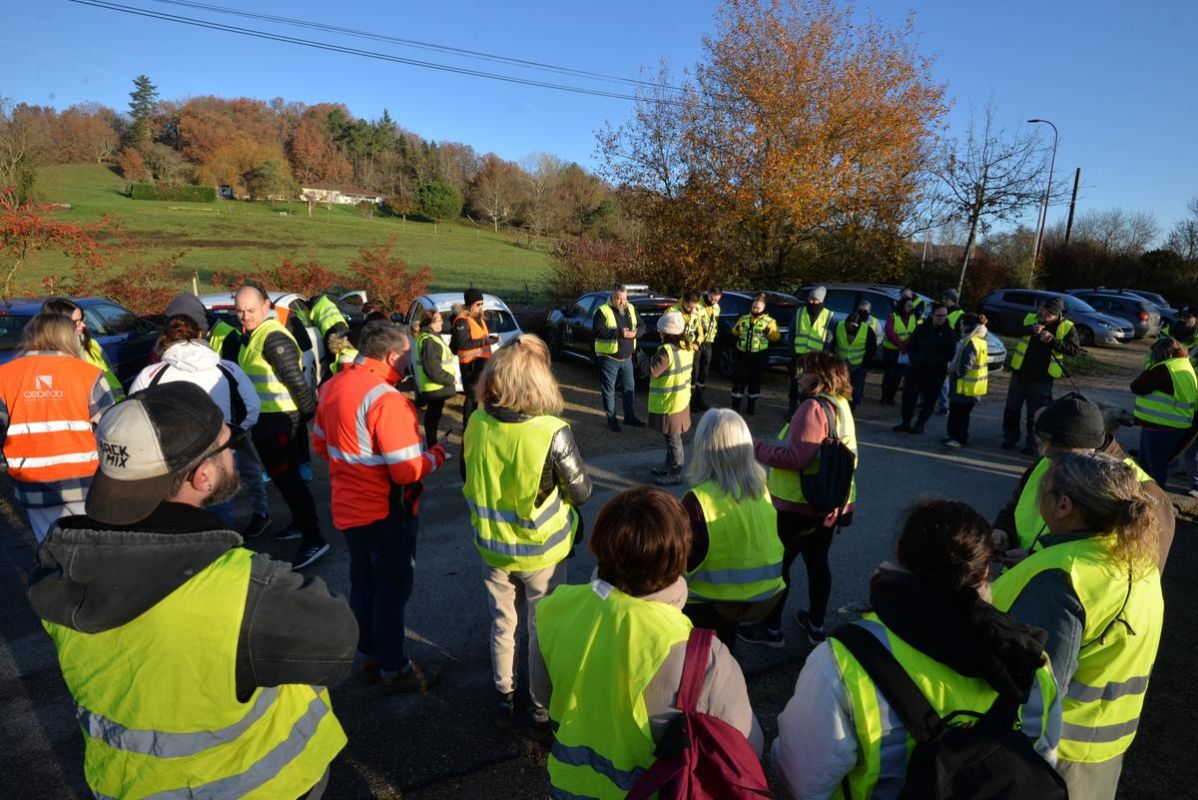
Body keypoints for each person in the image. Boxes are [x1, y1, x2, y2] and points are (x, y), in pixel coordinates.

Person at [29, 383, 355, 800]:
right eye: (227, 445)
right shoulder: (243, 589)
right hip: (252, 787)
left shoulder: (61, 569)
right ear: (203, 475)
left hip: (127, 787)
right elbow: (338, 644)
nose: (235, 453)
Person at [773, 499, 1060, 799]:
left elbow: (801, 778)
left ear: (899, 553)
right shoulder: (1030, 661)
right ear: (986, 571)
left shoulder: (843, 661)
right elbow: (1041, 761)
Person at [532, 487, 763, 798]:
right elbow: (748, 746)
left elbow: (543, 696)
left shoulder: (553, 610)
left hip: (568, 787)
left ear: (600, 544)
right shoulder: (703, 655)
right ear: (679, 556)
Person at [992, 453, 1164, 799]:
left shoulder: (1062, 577)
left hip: (1051, 758)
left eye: (1045, 491)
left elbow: (1036, 684)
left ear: (1064, 506)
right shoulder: (1136, 559)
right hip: (1101, 752)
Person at [462, 334, 592, 729]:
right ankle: (540, 706)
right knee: (541, 630)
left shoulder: (476, 423)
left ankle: (504, 695)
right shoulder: (552, 430)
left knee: (503, 624)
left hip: (492, 550)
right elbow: (582, 491)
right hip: (542, 553)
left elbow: (467, 477)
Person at [315, 322, 449, 695]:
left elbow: (321, 445)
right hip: (387, 512)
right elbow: (406, 470)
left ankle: (371, 657)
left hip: (348, 508)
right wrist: (437, 456)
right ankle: (395, 668)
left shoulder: (333, 386)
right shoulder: (388, 400)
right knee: (392, 591)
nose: (409, 364)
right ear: (391, 356)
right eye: (407, 356)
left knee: (364, 588)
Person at [742, 351, 856, 648]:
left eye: (803, 371)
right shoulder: (841, 405)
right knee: (818, 563)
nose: (798, 376)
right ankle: (816, 624)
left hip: (798, 506)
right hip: (830, 503)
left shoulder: (812, 407)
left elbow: (795, 457)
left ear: (819, 377)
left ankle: (771, 628)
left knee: (781, 565)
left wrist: (753, 447)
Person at [991, 392, 1175, 571]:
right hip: (1024, 580)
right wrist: (1003, 532)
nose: (1046, 453)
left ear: (1089, 447)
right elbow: (1014, 508)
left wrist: (1037, 562)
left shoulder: (1143, 492)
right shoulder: (1052, 461)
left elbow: (1137, 573)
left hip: (1065, 594)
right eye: (1044, 444)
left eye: (1056, 448)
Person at [129, 312, 263, 532]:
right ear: (201, 335)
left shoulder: (151, 374)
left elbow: (135, 417)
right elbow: (252, 407)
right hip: (220, 449)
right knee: (220, 507)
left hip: (171, 456)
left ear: (165, 340)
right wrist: (231, 435)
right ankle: (222, 555)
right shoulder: (228, 369)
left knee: (178, 514)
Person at [234, 281, 328, 568]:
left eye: (251, 309)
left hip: (282, 423)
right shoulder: (254, 335)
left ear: (266, 306)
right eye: (239, 311)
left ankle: (314, 538)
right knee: (285, 481)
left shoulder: (273, 338)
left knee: (291, 482)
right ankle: (301, 524)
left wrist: (307, 420)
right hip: (266, 423)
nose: (245, 316)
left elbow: (298, 384)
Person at [0, 314, 117, 542]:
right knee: (89, 548)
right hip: (86, 481)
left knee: (50, 549)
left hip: (32, 482)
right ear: (68, 337)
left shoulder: (5, 375)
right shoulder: (88, 374)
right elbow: (110, 429)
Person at [681, 408, 784, 649]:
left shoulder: (698, 501)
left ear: (703, 448)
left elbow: (681, 561)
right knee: (726, 649)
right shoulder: (760, 491)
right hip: (760, 596)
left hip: (708, 602)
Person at [1002, 296, 1080, 454]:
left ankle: (1032, 444)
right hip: (1020, 373)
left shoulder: (1067, 326)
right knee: (1012, 408)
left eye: (1048, 313)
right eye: (1042, 310)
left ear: (1057, 314)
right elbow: (1008, 328)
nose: (1043, 315)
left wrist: (1052, 340)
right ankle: (1009, 437)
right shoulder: (1030, 318)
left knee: (1037, 413)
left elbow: (1073, 350)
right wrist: (1030, 329)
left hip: (1043, 378)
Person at [1130, 336, 1196, 487]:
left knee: (1152, 469)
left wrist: (1150, 366)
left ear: (1162, 354)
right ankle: (1150, 499)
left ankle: (1154, 502)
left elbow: (1136, 386)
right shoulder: (1185, 365)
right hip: (1173, 426)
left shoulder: (1164, 368)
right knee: (1155, 466)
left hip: (1160, 427)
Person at [644, 310, 693, 486]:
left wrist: (643, 359)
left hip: (670, 402)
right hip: (680, 399)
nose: (659, 333)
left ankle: (675, 471)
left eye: (661, 330)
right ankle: (668, 464)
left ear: (666, 332)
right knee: (671, 437)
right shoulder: (686, 347)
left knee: (673, 439)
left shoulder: (666, 352)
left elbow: (652, 371)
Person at [40, 297, 124, 400]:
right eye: (77, 322)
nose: (83, 325)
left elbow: (111, 379)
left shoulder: (91, 345)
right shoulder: (46, 357)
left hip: (112, 410)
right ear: (57, 324)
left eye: (82, 320)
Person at [893, 302, 955, 434]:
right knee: (909, 396)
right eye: (939, 315)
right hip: (916, 369)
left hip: (935, 372)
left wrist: (934, 362)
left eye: (944, 315)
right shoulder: (921, 329)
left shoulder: (948, 333)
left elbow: (950, 354)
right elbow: (911, 346)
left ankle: (921, 423)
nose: (942, 318)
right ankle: (906, 421)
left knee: (929, 400)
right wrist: (916, 359)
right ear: (932, 315)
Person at [592, 284, 647, 432]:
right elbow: (598, 332)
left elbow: (642, 326)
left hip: (628, 359)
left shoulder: (631, 308)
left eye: (625, 298)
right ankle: (612, 420)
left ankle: (629, 417)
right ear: (612, 297)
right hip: (609, 359)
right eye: (619, 299)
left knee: (629, 388)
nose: (623, 302)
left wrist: (636, 333)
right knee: (609, 391)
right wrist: (619, 333)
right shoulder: (602, 311)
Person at [450, 288, 499, 427]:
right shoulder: (462, 321)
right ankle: (468, 430)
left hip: (481, 365)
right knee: (472, 399)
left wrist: (489, 339)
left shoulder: (478, 319)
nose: (481, 307)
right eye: (478, 304)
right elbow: (461, 344)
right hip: (469, 367)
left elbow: (479, 338)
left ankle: (472, 427)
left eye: (482, 303)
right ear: (470, 304)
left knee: (476, 398)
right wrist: (485, 342)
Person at [943, 312, 989, 448]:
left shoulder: (971, 342)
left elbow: (965, 366)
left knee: (959, 415)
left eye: (962, 324)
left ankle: (958, 438)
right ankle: (956, 436)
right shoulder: (980, 340)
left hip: (964, 387)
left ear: (968, 326)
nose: (960, 326)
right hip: (972, 387)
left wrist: (954, 373)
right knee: (961, 414)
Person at [413, 309, 457, 449]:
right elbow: (432, 369)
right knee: (433, 419)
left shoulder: (429, 337)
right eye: (439, 320)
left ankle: (432, 445)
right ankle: (433, 447)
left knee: (433, 418)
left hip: (434, 387)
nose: (442, 322)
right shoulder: (430, 341)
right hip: (435, 387)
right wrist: (450, 379)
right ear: (431, 323)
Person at [730, 292, 780, 415]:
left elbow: (776, 337)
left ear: (763, 308)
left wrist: (770, 332)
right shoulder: (744, 318)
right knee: (739, 381)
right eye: (753, 307)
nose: (755, 309)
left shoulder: (770, 321)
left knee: (755, 381)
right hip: (742, 354)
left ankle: (750, 406)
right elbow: (734, 331)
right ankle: (735, 405)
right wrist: (735, 330)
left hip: (759, 356)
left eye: (758, 307)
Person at [788, 286, 834, 417]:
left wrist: (825, 356)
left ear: (821, 301)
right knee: (795, 384)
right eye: (810, 299)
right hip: (799, 356)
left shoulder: (829, 316)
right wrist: (792, 350)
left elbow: (829, 338)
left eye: (815, 300)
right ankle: (792, 410)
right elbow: (792, 332)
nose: (812, 302)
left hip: (816, 359)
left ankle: (809, 412)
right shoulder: (800, 312)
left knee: (814, 385)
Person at [832, 302, 877, 409]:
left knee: (854, 393)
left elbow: (872, 349)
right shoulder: (839, 326)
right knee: (838, 391)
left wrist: (864, 364)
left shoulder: (867, 330)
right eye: (850, 325)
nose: (852, 327)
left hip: (858, 366)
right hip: (840, 365)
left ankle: (851, 412)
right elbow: (832, 344)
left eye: (854, 326)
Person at [879, 295, 917, 405]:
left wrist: (906, 345)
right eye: (909, 306)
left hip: (904, 351)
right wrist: (900, 344)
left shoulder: (913, 317)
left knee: (898, 376)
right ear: (903, 306)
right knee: (890, 374)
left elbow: (913, 332)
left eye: (912, 306)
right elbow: (890, 332)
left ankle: (891, 397)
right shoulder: (893, 316)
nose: (911, 308)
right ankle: (884, 396)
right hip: (891, 349)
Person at [308, 293, 358, 376]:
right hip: (341, 325)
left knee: (333, 356)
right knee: (342, 349)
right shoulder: (328, 298)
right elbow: (343, 307)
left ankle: (335, 374)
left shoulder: (312, 312)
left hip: (329, 332)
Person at [935, 287, 965, 414]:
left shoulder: (960, 314)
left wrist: (948, 338)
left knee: (943, 379)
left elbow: (960, 334)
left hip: (947, 350)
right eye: (943, 298)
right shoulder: (942, 311)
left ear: (952, 300)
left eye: (945, 299)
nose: (943, 301)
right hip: (935, 348)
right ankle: (925, 401)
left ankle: (943, 405)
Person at [692, 286, 723, 412]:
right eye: (712, 298)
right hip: (696, 343)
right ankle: (691, 402)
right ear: (708, 293)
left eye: (717, 300)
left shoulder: (716, 307)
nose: (714, 301)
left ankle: (699, 399)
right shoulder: (697, 305)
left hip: (708, 343)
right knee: (694, 372)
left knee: (704, 374)